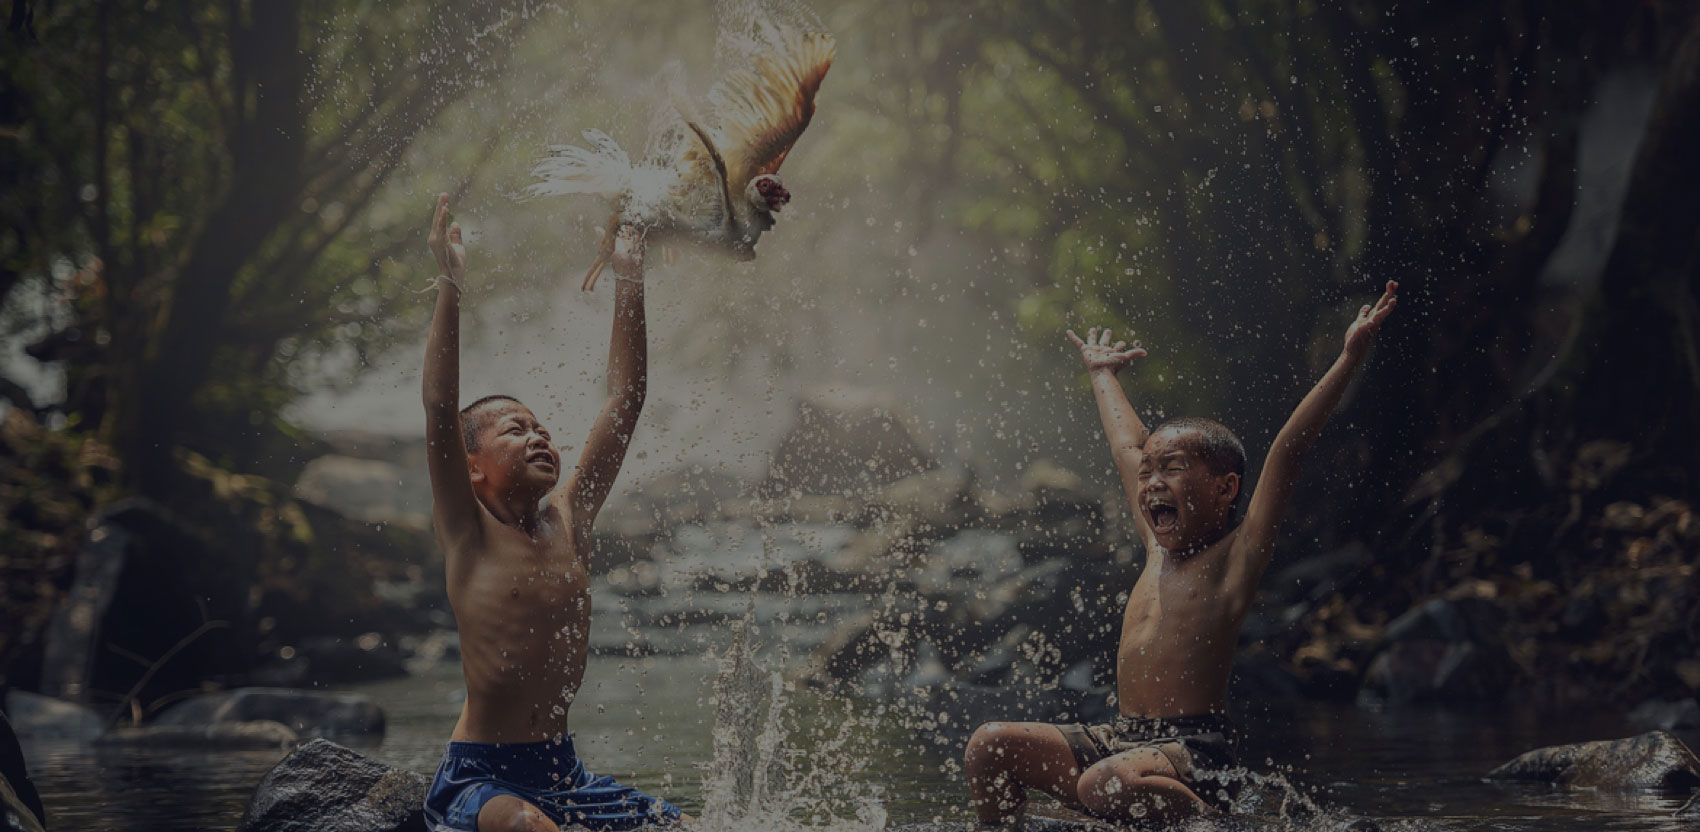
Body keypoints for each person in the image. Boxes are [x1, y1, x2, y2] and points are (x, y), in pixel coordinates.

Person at [963, 282, 1400, 826]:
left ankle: (1221, 827)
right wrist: (1101, 374)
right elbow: (1128, 446)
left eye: (1171, 469)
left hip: (1195, 751)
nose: (1150, 483)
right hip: (1123, 738)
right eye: (1147, 475)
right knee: (990, 745)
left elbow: (1289, 448)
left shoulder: (1236, 556)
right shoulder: (1155, 546)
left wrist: (1349, 357)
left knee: (1105, 782)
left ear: (1225, 488)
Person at [418, 194, 682, 832]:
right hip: (483, 775)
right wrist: (450, 285)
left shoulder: (571, 518)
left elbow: (625, 399)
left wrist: (629, 275)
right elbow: (438, 404)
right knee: (531, 830)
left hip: (565, 772)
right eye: (515, 428)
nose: (540, 435)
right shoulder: (468, 532)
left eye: (542, 428)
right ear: (472, 463)